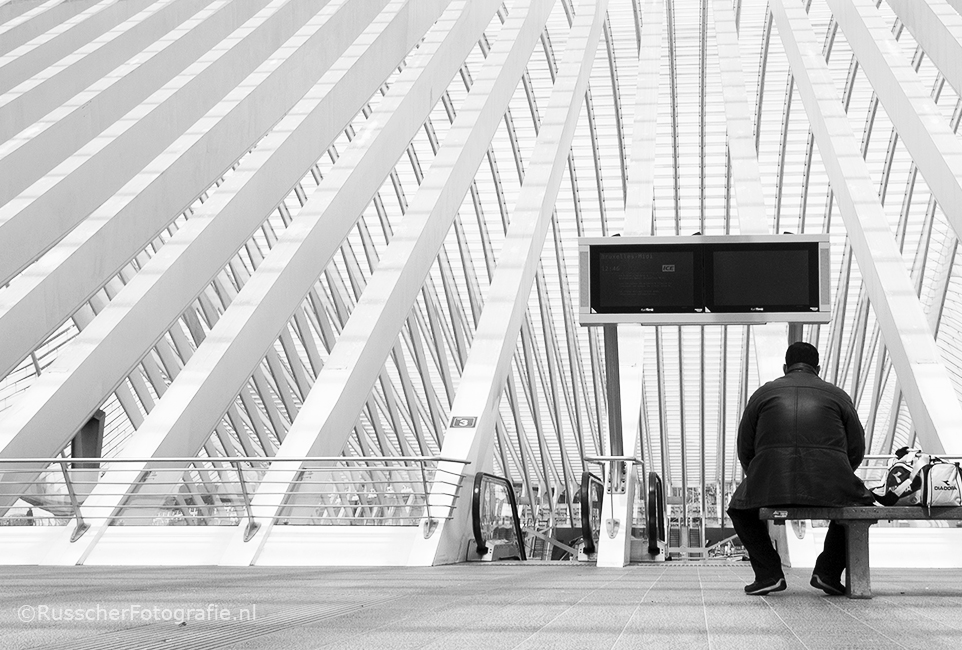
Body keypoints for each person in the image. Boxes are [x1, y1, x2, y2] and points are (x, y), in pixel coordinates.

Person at [727, 342, 874, 596]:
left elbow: (745, 447)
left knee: (739, 510)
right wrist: (839, 473)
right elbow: (856, 448)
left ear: (785, 367)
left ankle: (769, 574)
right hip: (829, 482)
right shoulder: (838, 395)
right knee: (860, 507)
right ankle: (827, 572)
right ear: (817, 368)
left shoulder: (763, 394)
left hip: (771, 482)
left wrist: (760, 477)